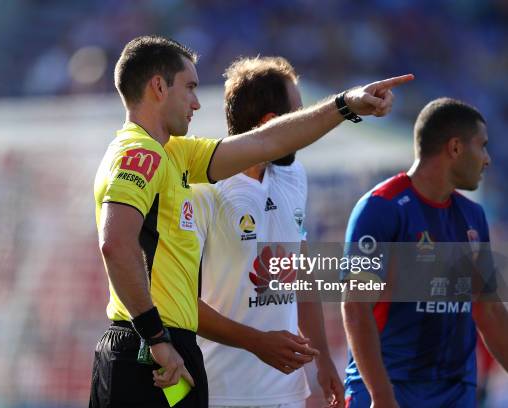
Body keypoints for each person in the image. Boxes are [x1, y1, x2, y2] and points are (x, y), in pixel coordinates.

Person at [89, 34, 412, 408]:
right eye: (190, 87)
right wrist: (157, 339)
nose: (196, 101)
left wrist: (345, 105)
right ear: (158, 87)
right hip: (151, 350)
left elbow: (263, 143)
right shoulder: (138, 154)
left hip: (176, 348)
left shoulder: (176, 154)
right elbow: (115, 244)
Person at [193, 56, 344, 408]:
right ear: (273, 123)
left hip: (287, 392)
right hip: (221, 391)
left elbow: (301, 275)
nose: (308, 129)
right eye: (300, 117)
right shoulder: (205, 188)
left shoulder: (294, 176)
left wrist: (321, 358)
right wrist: (257, 341)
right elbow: (180, 301)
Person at [341, 98, 508, 408]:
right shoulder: (381, 208)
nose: (487, 159)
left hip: (455, 392)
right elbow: (355, 308)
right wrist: (381, 395)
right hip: (391, 389)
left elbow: (490, 312)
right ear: (455, 148)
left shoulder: (473, 216)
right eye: (482, 146)